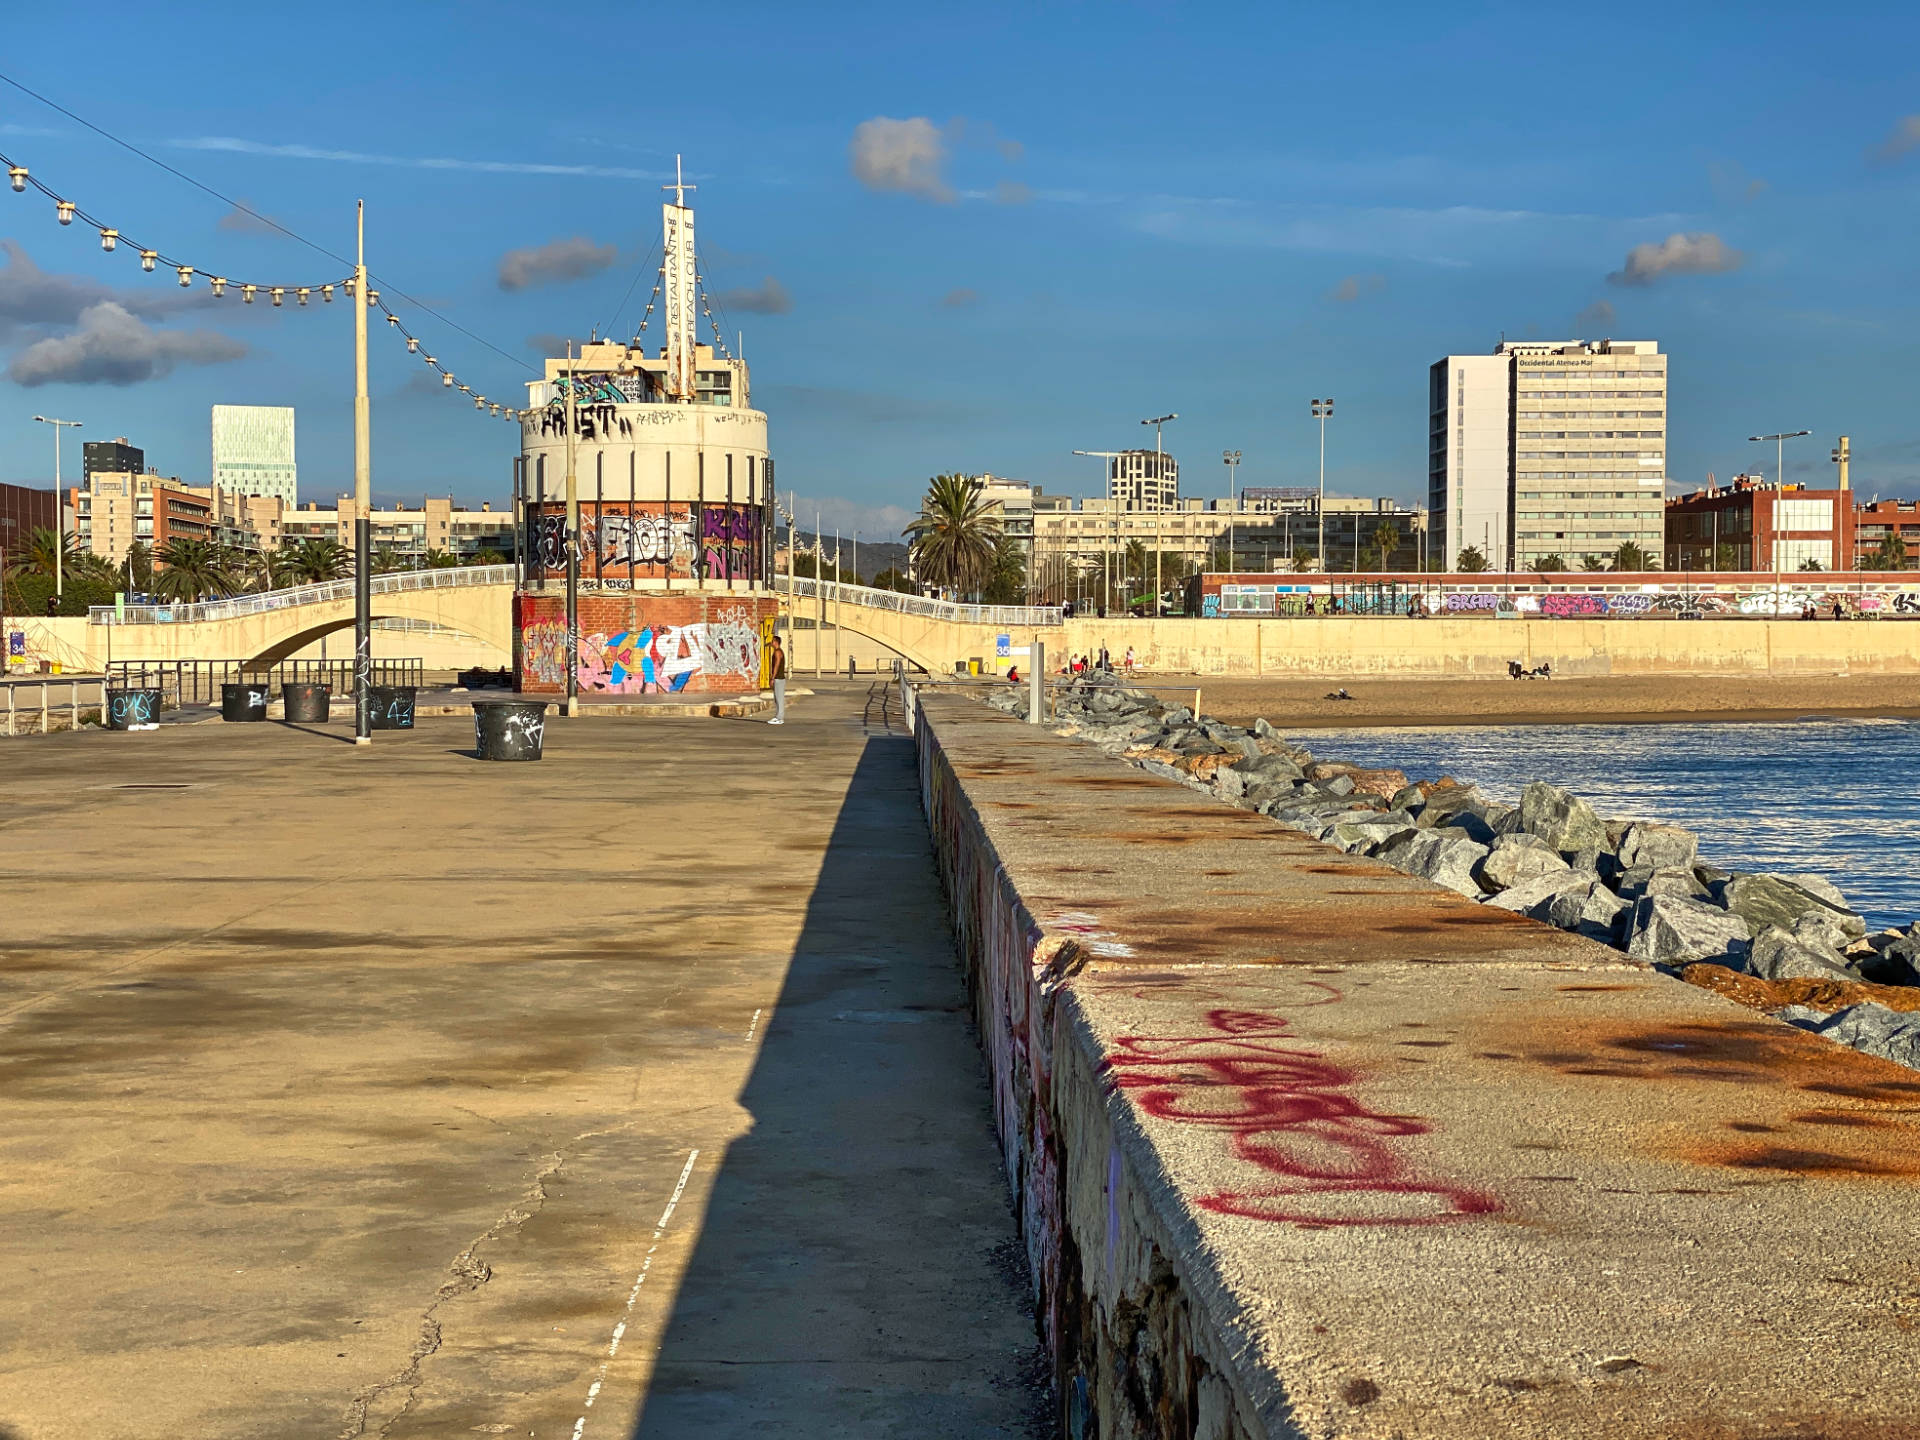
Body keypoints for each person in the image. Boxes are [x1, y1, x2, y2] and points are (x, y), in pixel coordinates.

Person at [767, 634, 788, 725]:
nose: (771, 643)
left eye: (772, 641)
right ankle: (778, 716)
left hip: (778, 678)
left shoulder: (777, 652)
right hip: (779, 678)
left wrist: (772, 677)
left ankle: (779, 718)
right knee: (777, 698)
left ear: (776, 642)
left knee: (779, 699)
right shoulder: (778, 651)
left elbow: (777, 665)